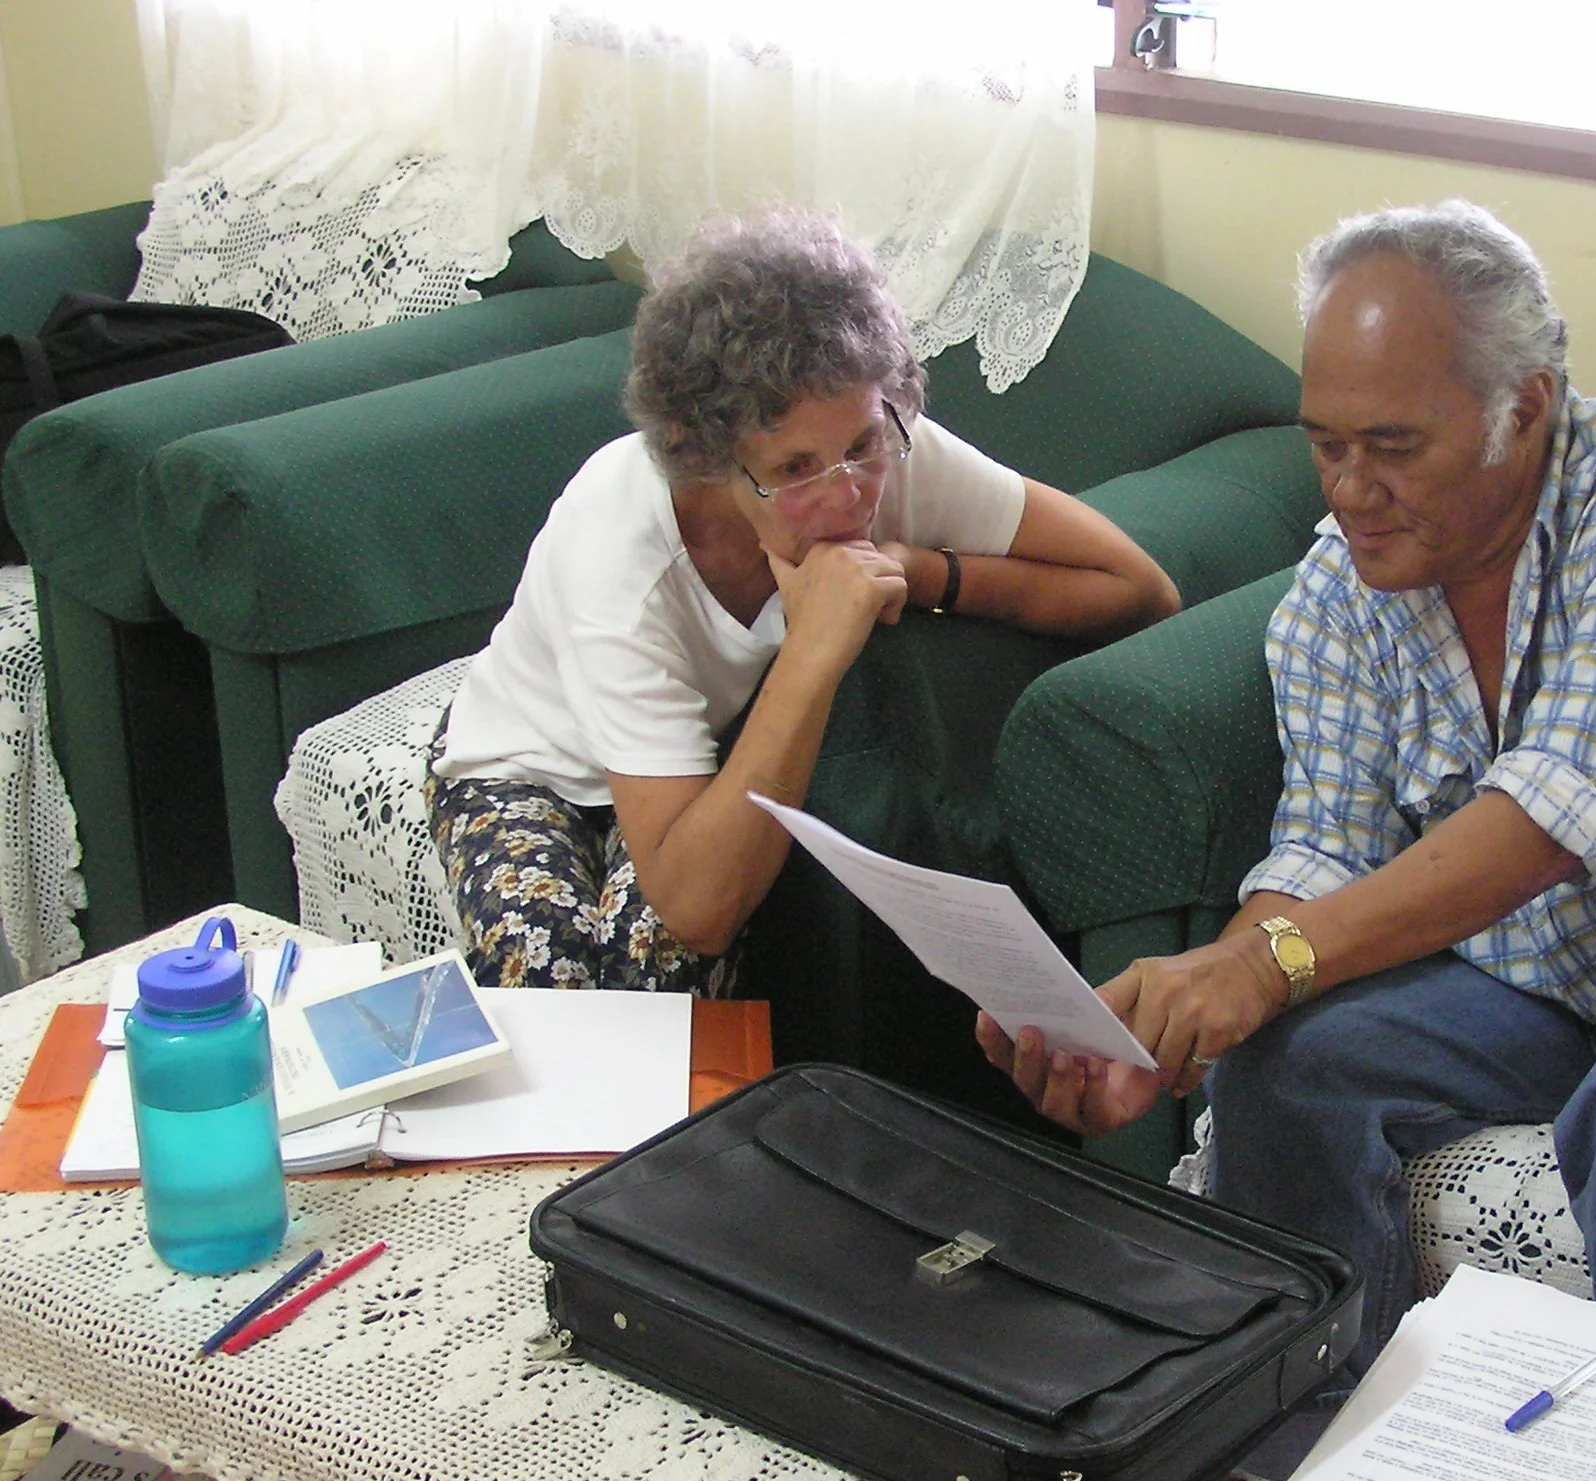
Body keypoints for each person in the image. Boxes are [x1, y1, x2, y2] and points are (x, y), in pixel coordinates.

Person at [980, 201, 1596, 1473]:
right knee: (1290, 1062)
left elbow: (1549, 818)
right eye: (1324, 443)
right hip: (1551, 983)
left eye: (1392, 445)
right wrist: (1182, 1026)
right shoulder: (1340, 588)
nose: (1348, 488)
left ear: (1527, 408)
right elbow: (1319, 856)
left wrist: (1257, 970)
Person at [429, 209, 1178, 991]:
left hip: (692, 769)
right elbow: (698, 905)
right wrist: (816, 647)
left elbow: (1140, 588)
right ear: (708, 459)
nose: (846, 495)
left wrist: (919, 573)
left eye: (860, 447)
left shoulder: (890, 446)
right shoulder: (620, 549)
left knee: (657, 980)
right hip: (531, 763)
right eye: (792, 469)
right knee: (559, 990)